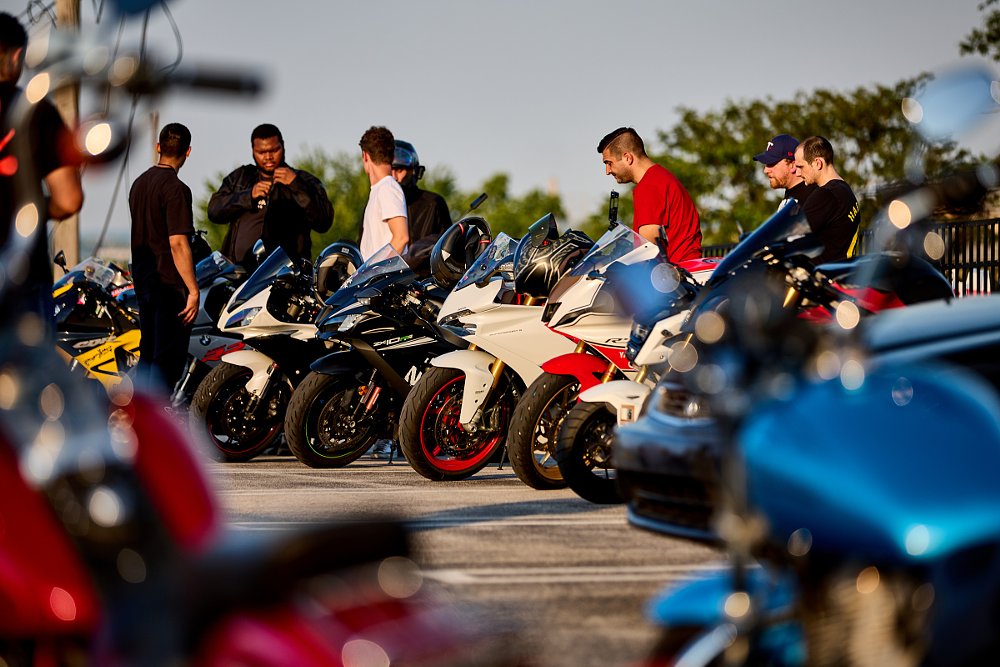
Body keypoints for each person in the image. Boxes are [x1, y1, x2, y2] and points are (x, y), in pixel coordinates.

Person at [0, 12, 83, 328]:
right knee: (26, 376)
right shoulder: (36, 111)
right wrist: (29, 206)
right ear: (17, 55)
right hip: (22, 277)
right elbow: (68, 200)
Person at [128, 123, 199, 393]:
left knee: (148, 357)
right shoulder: (176, 189)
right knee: (166, 365)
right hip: (169, 288)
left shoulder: (139, 184)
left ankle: (141, 422)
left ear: (158, 147)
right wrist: (192, 290)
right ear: (188, 151)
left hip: (144, 283)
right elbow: (178, 243)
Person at [208, 123, 333, 268]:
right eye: (261, 152)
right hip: (238, 274)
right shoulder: (240, 178)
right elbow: (214, 211)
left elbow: (324, 221)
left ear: (283, 146)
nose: (268, 157)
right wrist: (248, 196)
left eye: (274, 150)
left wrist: (296, 185)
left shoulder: (304, 180)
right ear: (253, 151)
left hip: (287, 277)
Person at [597, 127, 701, 264]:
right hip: (685, 272)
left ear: (627, 158)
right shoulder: (661, 178)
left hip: (676, 278)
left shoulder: (649, 185)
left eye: (609, 163)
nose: (607, 171)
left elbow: (648, 250)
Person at [792, 135, 861, 264]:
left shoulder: (826, 195)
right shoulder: (844, 191)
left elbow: (791, 235)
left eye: (800, 167)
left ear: (818, 163)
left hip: (823, 278)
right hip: (839, 273)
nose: (797, 173)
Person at [392, 139, 451, 275]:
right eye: (390, 170)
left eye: (399, 169)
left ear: (415, 172)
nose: (394, 176)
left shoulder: (434, 203)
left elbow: (448, 252)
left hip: (425, 284)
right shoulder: (376, 205)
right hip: (382, 282)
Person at [359, 126, 408, 260]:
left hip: (384, 280)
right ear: (392, 156)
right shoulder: (381, 189)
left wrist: (373, 271)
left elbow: (401, 238)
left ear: (365, 155)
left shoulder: (387, 188)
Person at [752, 133, 816, 210]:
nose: (766, 170)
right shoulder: (790, 198)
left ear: (793, 165)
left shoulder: (815, 198)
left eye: (771, 163)